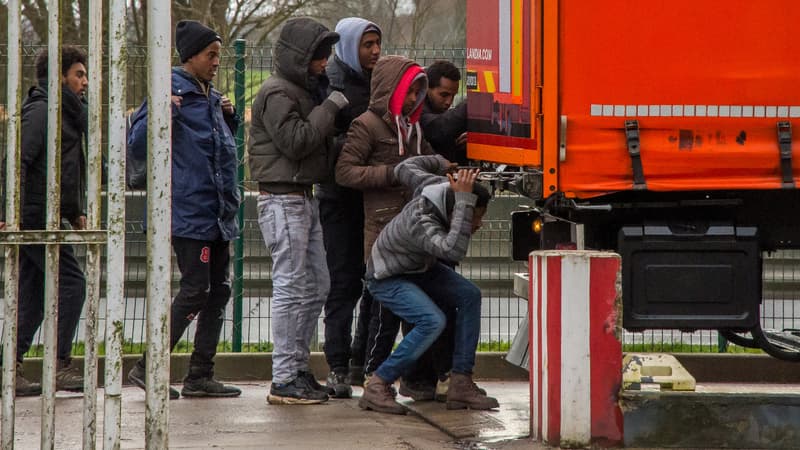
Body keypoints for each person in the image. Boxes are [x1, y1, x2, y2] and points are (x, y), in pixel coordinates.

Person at [127, 20, 242, 399]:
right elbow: (137, 142)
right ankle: (149, 366)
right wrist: (162, 112)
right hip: (189, 214)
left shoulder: (211, 97)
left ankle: (200, 374)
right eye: (211, 55)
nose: (216, 63)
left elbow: (221, 151)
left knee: (219, 290)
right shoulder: (171, 93)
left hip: (218, 215)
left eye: (219, 56)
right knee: (196, 289)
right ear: (190, 55)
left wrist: (230, 117)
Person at [249, 17, 349, 405]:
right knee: (291, 287)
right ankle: (284, 377)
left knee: (318, 284)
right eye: (319, 56)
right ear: (300, 57)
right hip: (281, 199)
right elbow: (296, 141)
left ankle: (298, 368)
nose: (325, 63)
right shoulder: (278, 93)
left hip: (301, 198)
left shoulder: (300, 91)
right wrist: (330, 107)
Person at [335, 55, 441, 397]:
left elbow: (427, 159)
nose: (414, 100)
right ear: (391, 91)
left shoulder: (412, 128)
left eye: (418, 93)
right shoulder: (366, 125)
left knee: (403, 313)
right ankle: (373, 378)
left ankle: (399, 377)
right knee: (383, 316)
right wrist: (392, 173)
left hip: (411, 233)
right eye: (409, 92)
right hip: (382, 232)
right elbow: (345, 172)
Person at [359, 155, 498, 414]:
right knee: (432, 320)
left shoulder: (433, 185)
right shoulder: (421, 221)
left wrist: (441, 163)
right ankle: (378, 384)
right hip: (387, 276)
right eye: (474, 217)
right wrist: (465, 203)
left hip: (417, 268)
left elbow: (403, 167)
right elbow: (453, 250)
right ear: (457, 208)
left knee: (470, 295)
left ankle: (460, 383)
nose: (478, 224)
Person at [12, 45, 89, 397]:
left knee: (32, 292)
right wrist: (7, 211)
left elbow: (64, 170)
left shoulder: (66, 113)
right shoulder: (43, 111)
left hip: (47, 213)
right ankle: (58, 364)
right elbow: (19, 161)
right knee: (72, 283)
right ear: (60, 76)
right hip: (33, 215)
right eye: (78, 74)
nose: (84, 82)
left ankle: (10, 367)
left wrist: (73, 212)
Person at [317, 17, 382, 399]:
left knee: (375, 283)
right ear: (349, 46)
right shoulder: (334, 87)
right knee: (344, 284)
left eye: (377, 44)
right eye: (367, 44)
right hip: (340, 202)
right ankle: (338, 366)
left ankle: (362, 359)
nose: (374, 51)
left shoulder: (378, 85)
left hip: (372, 202)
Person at [420, 60, 468, 165]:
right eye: (444, 95)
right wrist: (472, 103)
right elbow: (439, 128)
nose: (449, 102)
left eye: (453, 96)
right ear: (427, 87)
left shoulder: (436, 109)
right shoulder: (417, 110)